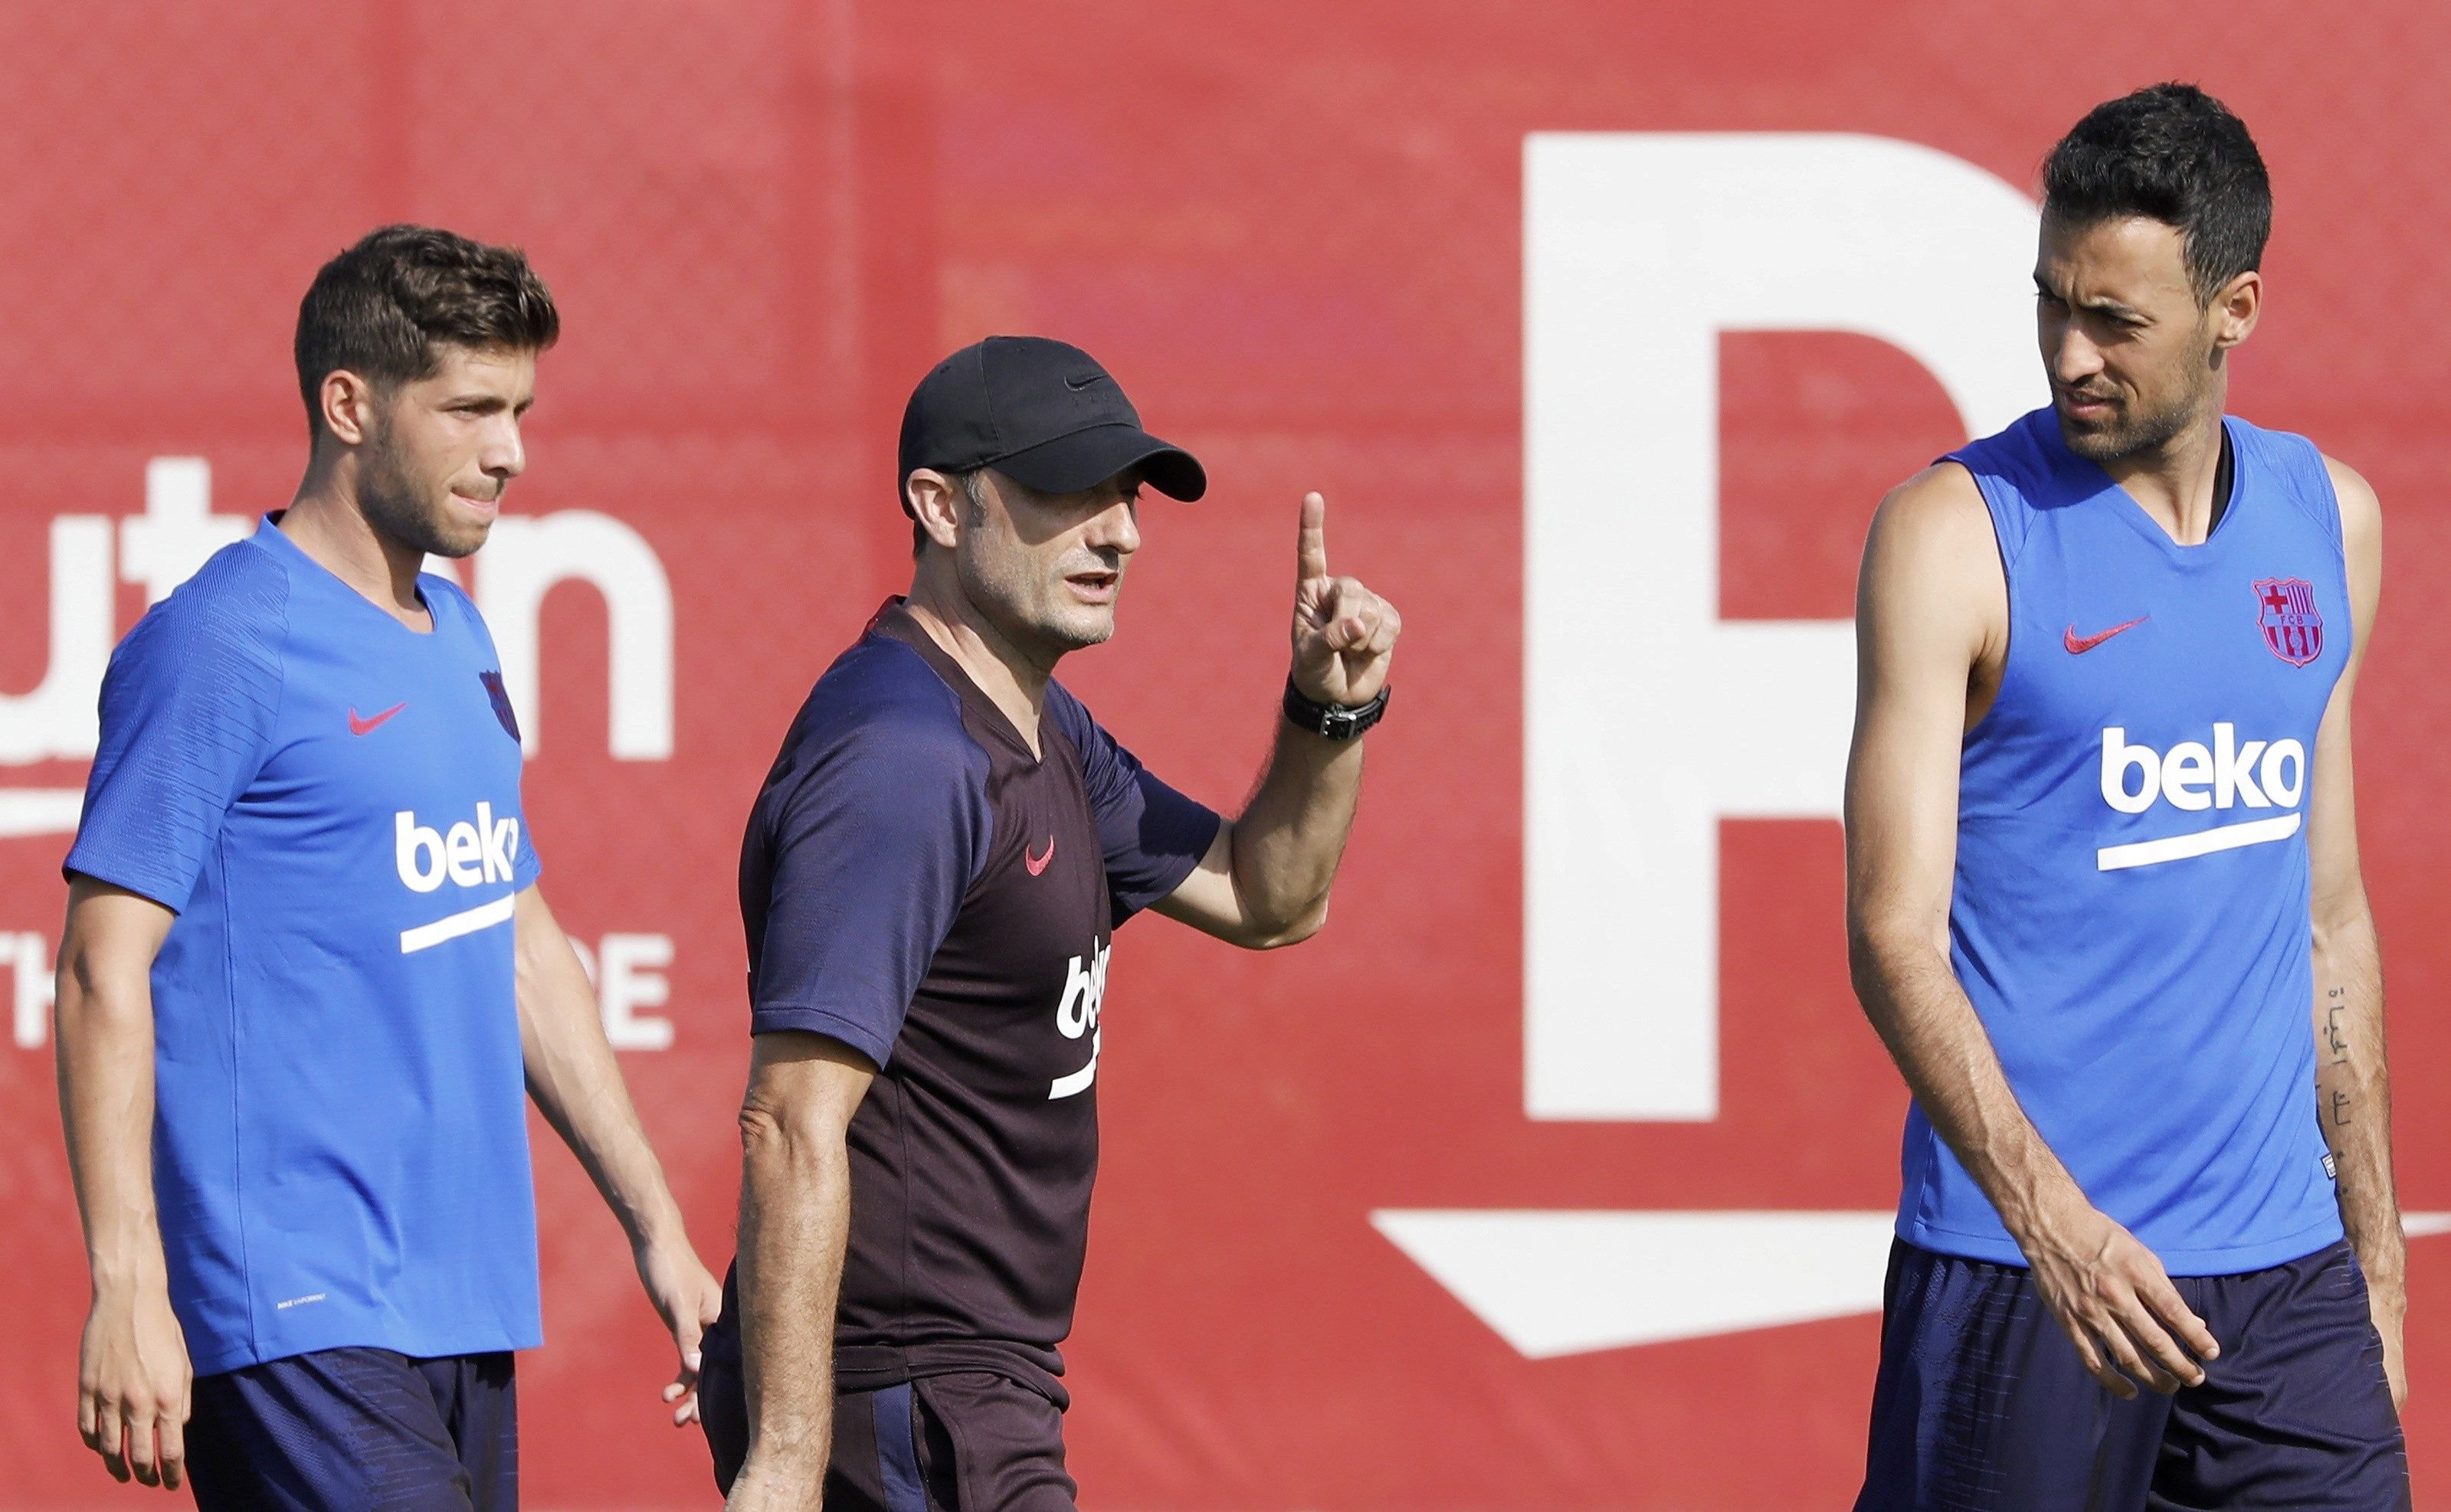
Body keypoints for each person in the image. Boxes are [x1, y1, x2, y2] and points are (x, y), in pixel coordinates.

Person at [52, 224, 723, 1510]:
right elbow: (98, 967)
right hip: (295, 1301)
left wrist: (659, 1230)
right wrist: (130, 1285)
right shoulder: (223, 641)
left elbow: (520, 941)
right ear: (348, 404)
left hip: (460, 1298)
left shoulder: (458, 627)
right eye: (470, 408)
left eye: (520, 410)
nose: (511, 450)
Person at [699, 335, 1401, 1510]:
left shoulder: (1042, 727)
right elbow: (789, 1119)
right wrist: (781, 1463)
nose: (1121, 532)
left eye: (1124, 496)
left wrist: (1330, 714)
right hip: (898, 1386)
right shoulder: (905, 759)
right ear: (938, 503)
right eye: (1068, 492)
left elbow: (1268, 896)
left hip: (977, 1381)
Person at [1844, 84, 2407, 1507]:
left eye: (2116, 321)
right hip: (2028, 1274)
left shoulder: (2329, 522)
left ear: (2237, 308)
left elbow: (2329, 918)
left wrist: (2377, 1257)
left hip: (2285, 1286)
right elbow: (1892, 934)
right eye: (2050, 305)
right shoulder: (1951, 537)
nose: (2067, 353)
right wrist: (2056, 1226)